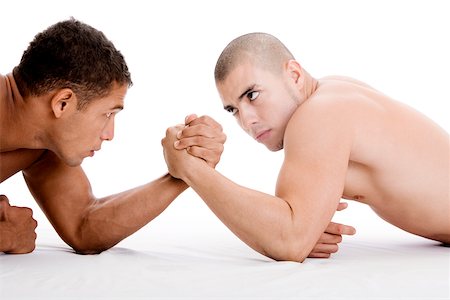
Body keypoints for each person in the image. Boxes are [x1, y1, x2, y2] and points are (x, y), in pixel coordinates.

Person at [162, 32, 450, 262]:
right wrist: (303, 222)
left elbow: (289, 240)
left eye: (252, 94)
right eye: (233, 110)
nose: (247, 120)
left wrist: (192, 170)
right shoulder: (333, 92)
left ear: (295, 75)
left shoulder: (319, 114)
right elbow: (293, 227)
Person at [0, 18, 226, 254]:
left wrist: (185, 172)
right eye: (107, 113)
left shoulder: (43, 146)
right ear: (63, 103)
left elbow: (83, 226)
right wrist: (6, 237)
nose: (110, 134)